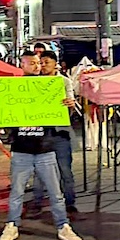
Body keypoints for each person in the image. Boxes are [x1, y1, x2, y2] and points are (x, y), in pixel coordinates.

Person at [0, 51, 83, 240]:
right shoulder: (13, 88)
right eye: (31, 63)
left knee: (55, 192)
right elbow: (1, 118)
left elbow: (66, 114)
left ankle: (63, 226)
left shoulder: (52, 86)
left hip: (46, 148)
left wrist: (68, 105)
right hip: (21, 149)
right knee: (17, 192)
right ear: (22, 65)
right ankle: (12, 224)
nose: (37, 66)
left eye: (38, 63)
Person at [33, 50, 79, 218]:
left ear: (55, 63)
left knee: (65, 169)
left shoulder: (64, 82)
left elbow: (71, 106)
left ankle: (70, 203)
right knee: (39, 170)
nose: (42, 65)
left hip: (60, 132)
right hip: (39, 133)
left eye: (45, 62)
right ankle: (37, 202)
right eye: (40, 63)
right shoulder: (33, 83)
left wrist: (70, 104)